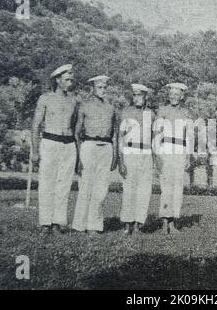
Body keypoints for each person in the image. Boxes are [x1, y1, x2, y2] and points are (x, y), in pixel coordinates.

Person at [31, 64, 78, 235]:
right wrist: (35, 151)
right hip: (50, 142)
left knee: (64, 185)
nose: (70, 83)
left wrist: (77, 151)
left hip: (69, 144)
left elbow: (75, 127)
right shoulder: (45, 98)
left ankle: (58, 223)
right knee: (47, 183)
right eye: (66, 80)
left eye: (71, 80)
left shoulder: (74, 101)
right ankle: (45, 223)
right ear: (58, 80)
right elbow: (35, 125)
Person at [72, 75, 118, 235]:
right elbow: (77, 133)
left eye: (105, 87)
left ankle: (94, 226)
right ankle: (79, 225)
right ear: (92, 89)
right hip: (88, 146)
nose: (103, 90)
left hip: (106, 147)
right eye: (99, 87)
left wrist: (115, 155)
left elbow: (114, 134)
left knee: (101, 189)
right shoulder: (84, 106)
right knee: (85, 186)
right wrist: (78, 158)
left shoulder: (111, 108)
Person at [154, 83, 191, 234]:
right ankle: (164, 222)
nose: (173, 97)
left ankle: (173, 223)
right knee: (166, 186)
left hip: (180, 151)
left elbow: (188, 136)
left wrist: (188, 155)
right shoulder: (162, 110)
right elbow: (156, 134)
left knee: (177, 186)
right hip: (166, 150)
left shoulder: (186, 113)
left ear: (182, 96)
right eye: (171, 94)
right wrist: (157, 154)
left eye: (177, 94)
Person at [118, 84, 154, 235]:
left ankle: (139, 223)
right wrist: (120, 160)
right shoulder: (126, 112)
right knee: (129, 188)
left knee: (144, 190)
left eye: (140, 95)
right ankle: (127, 223)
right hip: (130, 152)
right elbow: (120, 137)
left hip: (146, 153)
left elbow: (154, 138)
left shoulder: (151, 114)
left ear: (146, 96)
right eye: (135, 95)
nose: (137, 98)